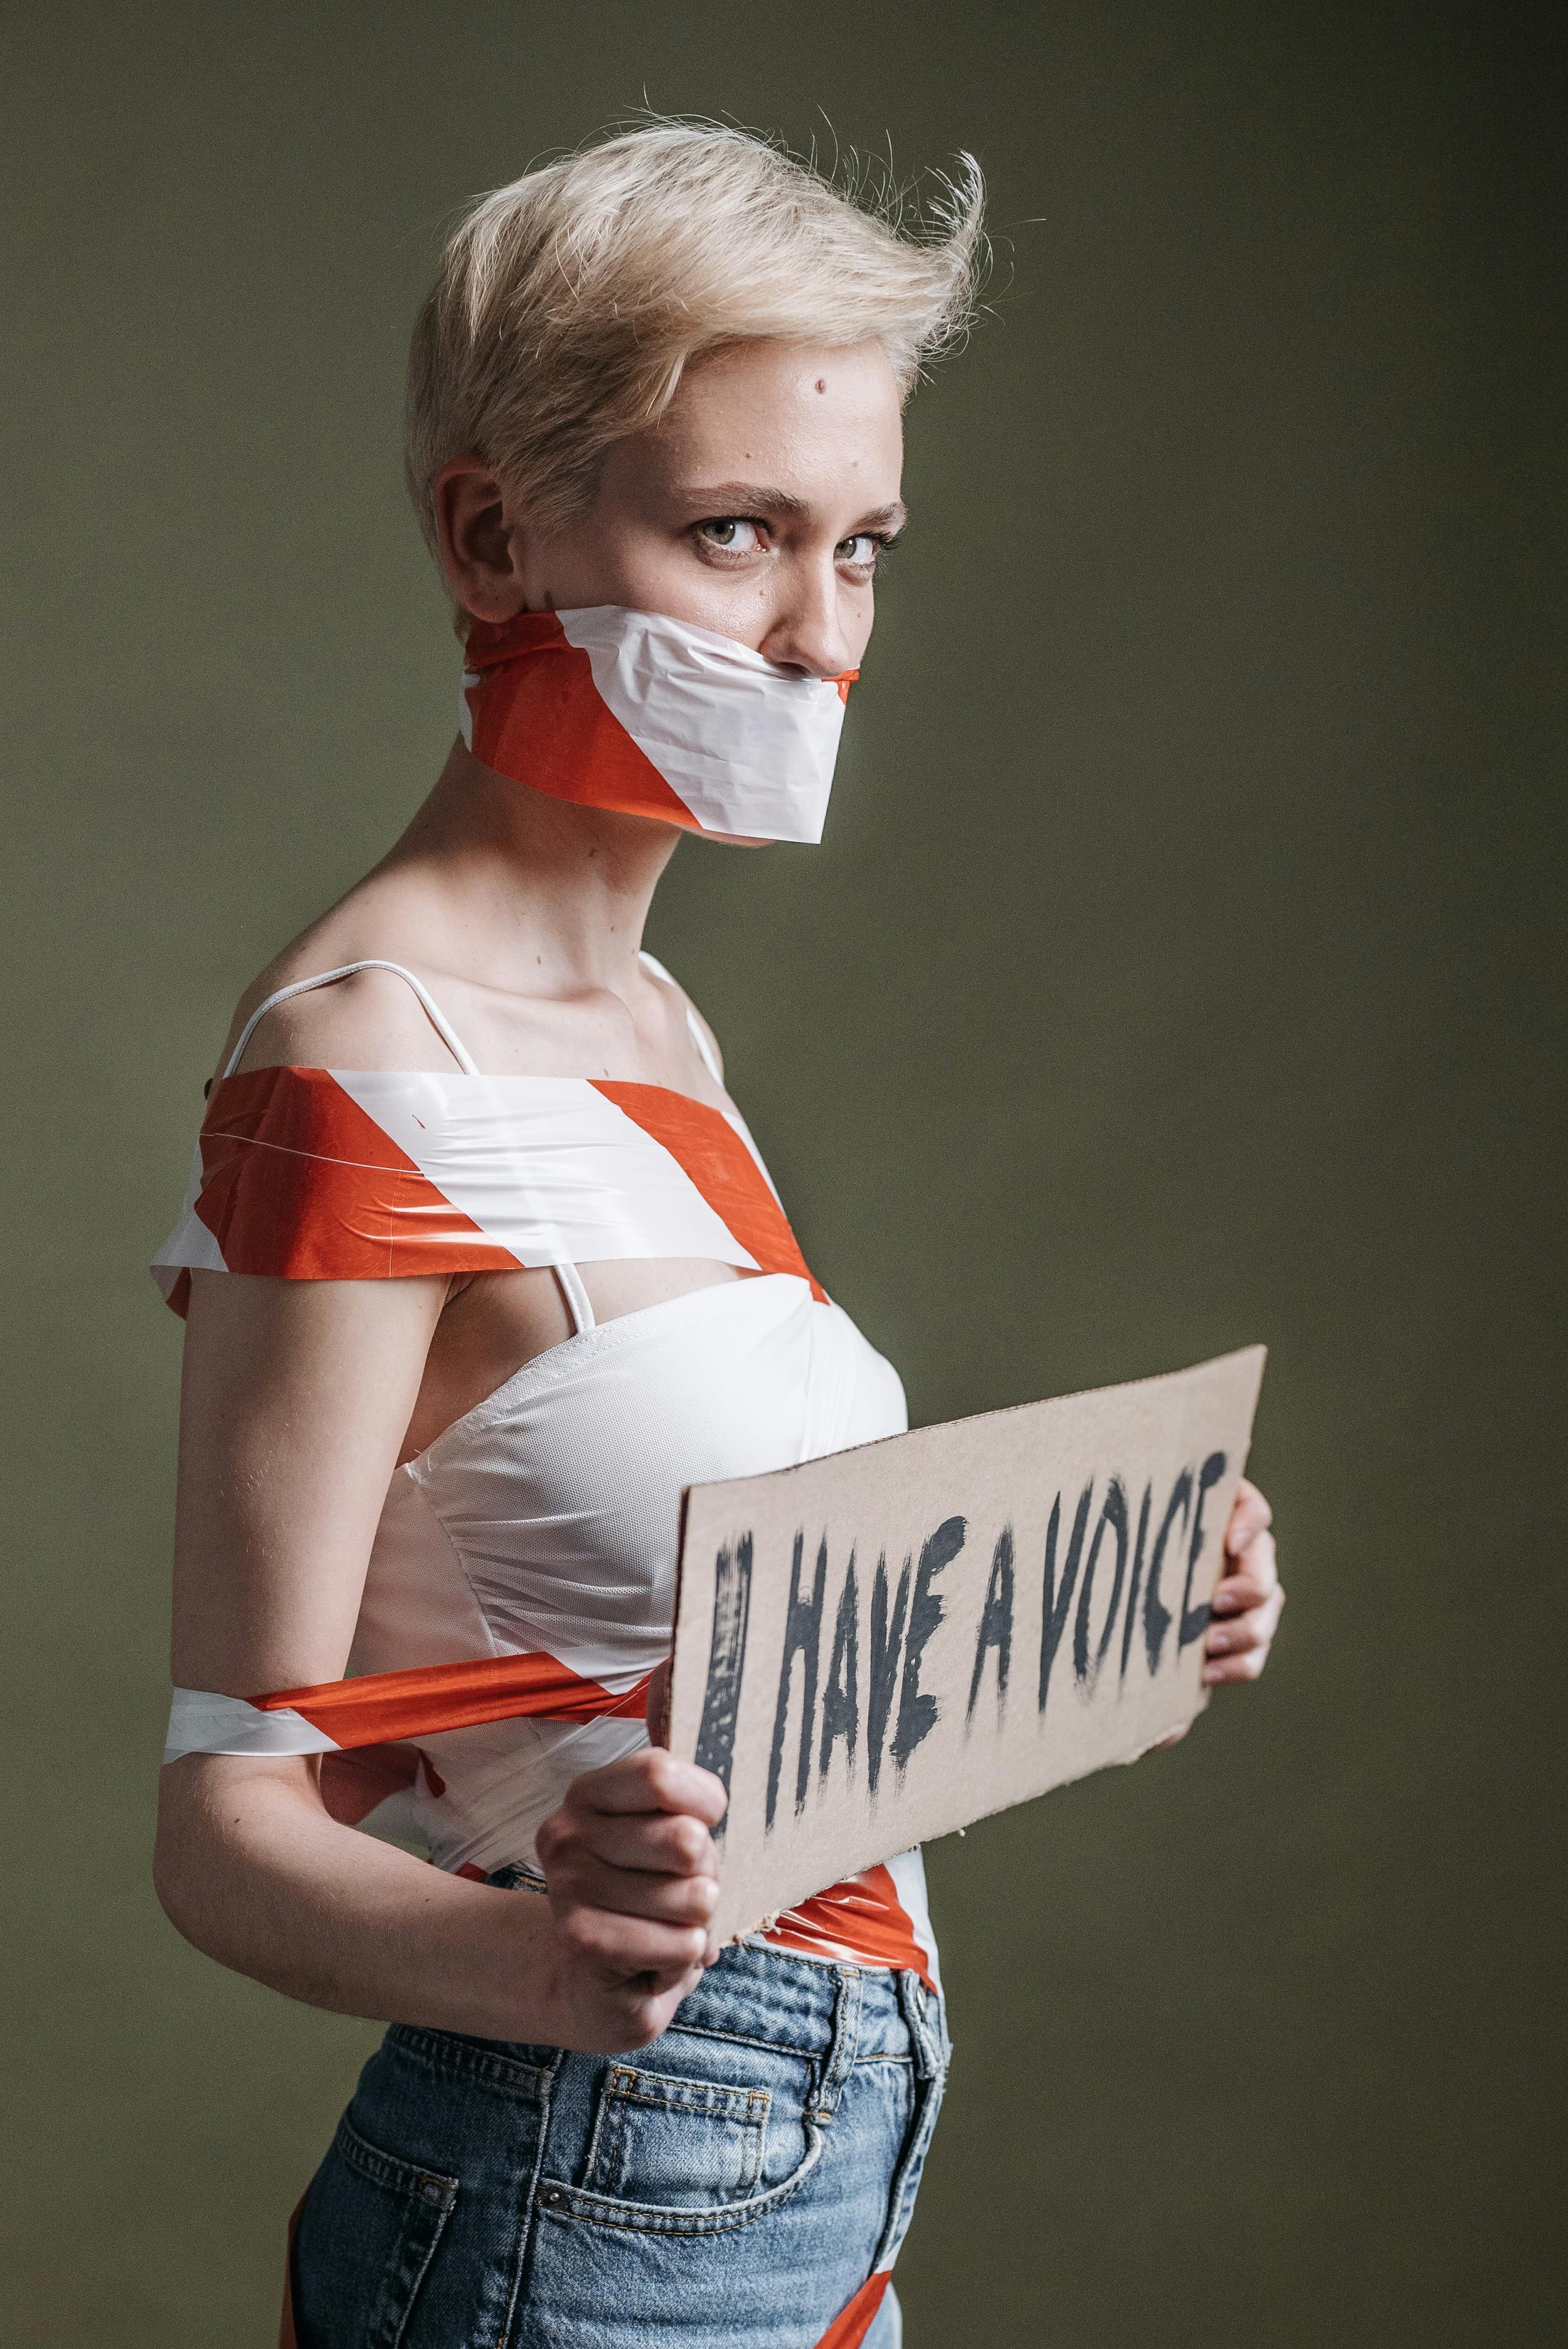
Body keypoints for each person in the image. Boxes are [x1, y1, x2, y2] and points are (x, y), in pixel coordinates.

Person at [152, 123, 1286, 2349]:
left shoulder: (653, 1017)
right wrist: (538, 1956)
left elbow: (637, 1657)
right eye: (737, 533)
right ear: (493, 535)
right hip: (590, 2187)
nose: (818, 631)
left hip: (809, 2158)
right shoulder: (369, 1063)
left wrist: (1120, 1592)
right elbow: (232, 1810)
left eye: (864, 547)